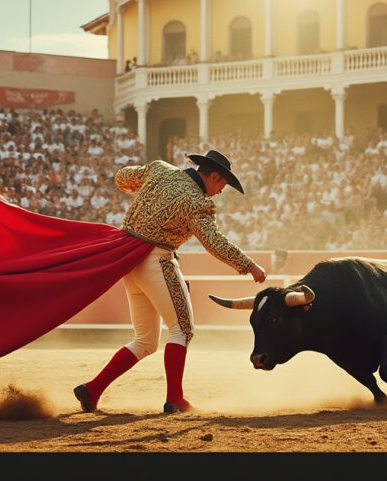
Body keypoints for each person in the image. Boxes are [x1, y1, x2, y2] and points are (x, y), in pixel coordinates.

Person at [75, 149, 267, 415]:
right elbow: (214, 242)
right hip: (157, 261)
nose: (221, 191)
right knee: (182, 330)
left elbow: (122, 178)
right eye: (223, 184)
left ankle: (92, 389)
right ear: (213, 177)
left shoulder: (160, 169)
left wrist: (148, 189)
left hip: (130, 262)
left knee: (145, 341)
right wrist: (249, 265)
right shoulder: (197, 202)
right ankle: (175, 398)